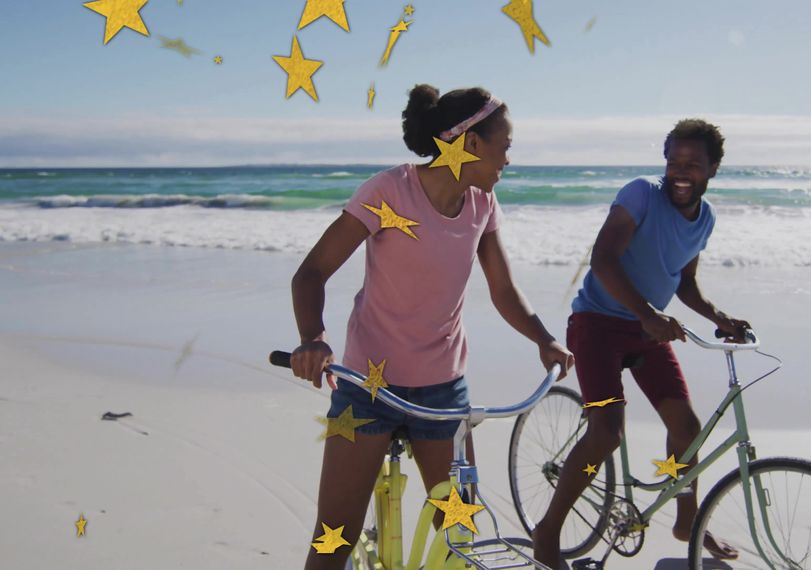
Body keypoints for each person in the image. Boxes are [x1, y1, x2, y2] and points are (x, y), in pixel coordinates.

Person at [289, 84, 574, 570]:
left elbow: (503, 290)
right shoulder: (389, 191)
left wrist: (543, 339)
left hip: (443, 394)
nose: (507, 159)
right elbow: (311, 272)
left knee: (460, 538)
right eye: (503, 147)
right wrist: (313, 338)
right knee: (334, 537)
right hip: (367, 390)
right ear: (469, 142)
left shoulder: (482, 206)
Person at [531, 119, 750, 565]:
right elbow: (604, 259)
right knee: (606, 433)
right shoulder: (640, 194)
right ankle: (547, 531)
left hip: (647, 328)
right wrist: (648, 314)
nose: (681, 173)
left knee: (686, 430)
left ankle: (688, 522)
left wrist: (718, 316)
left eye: (693, 164)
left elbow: (683, 281)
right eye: (674, 162)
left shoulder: (704, 219)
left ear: (714, 169)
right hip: (596, 324)